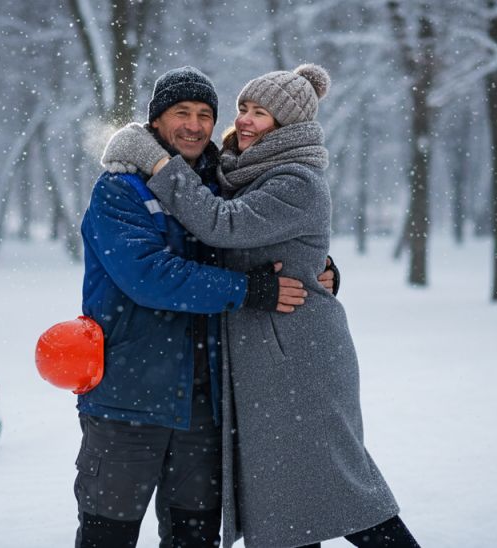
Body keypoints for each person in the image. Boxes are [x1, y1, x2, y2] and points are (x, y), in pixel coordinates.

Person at [102, 65, 418, 547]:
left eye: (262, 113)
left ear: (287, 126)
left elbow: (223, 227)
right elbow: (231, 239)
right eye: (243, 109)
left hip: (296, 360)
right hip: (255, 365)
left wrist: (160, 164)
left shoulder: (294, 179)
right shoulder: (237, 172)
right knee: (288, 510)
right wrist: (309, 264)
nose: (245, 121)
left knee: (340, 491)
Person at [77, 66, 338, 548]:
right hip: (129, 399)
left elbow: (257, 233)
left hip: (207, 406)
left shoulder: (223, 187)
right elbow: (149, 278)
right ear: (156, 123)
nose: (194, 125)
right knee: (106, 536)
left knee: (194, 538)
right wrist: (249, 290)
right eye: (181, 113)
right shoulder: (120, 190)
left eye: (204, 114)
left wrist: (316, 267)